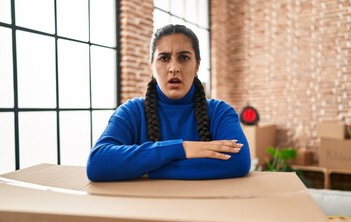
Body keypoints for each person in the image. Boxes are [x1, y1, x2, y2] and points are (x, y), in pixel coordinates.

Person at [87, 24, 251, 181]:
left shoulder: (220, 112)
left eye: (184, 58)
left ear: (197, 66)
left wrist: (147, 169)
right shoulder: (131, 112)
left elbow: (239, 161)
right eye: (164, 58)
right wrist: (182, 148)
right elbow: (98, 163)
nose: (174, 68)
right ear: (151, 65)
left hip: (204, 208)